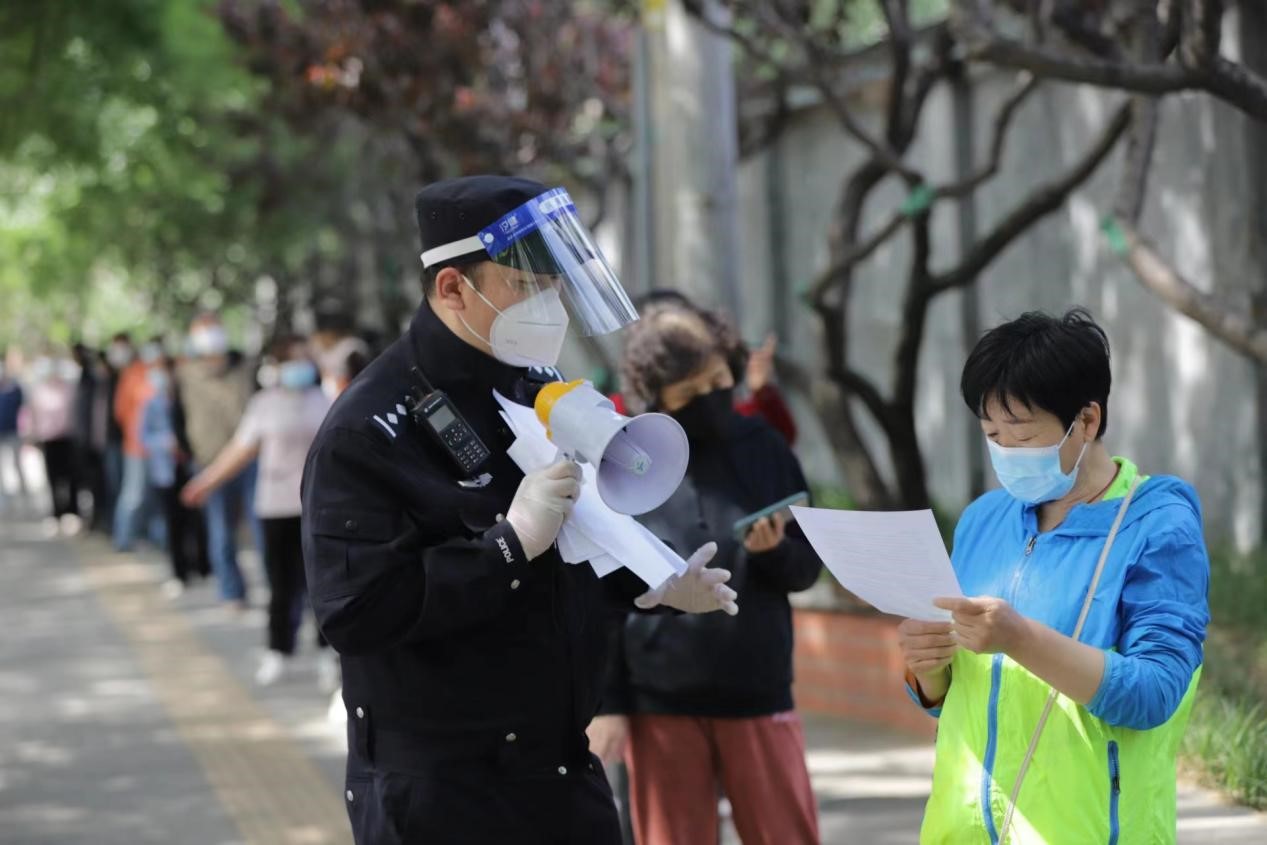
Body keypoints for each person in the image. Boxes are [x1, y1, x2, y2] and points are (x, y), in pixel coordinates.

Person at [301, 175, 739, 845]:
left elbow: (572, 545)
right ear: (453, 288)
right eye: (526, 285)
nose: (548, 304)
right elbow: (356, 612)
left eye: (555, 284)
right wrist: (506, 546)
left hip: (557, 766)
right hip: (442, 790)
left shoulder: (527, 383)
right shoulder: (369, 429)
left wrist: (650, 583)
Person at [898, 309, 1209, 844]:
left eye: (1021, 435)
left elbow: (1155, 692)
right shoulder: (983, 519)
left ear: (1086, 420)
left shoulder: (1157, 525)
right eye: (991, 434)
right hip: (961, 829)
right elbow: (957, 699)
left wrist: (1019, 638)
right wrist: (927, 670)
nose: (1004, 452)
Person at [591, 304, 821, 845]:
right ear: (656, 397)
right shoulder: (629, 463)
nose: (710, 397)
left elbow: (807, 566)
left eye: (718, 381)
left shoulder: (764, 446)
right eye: (689, 392)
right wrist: (611, 704)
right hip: (660, 701)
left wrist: (773, 553)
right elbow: (603, 593)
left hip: (758, 689)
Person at [184, 335, 335, 687]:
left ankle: (328, 653)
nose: (300, 366)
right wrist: (206, 482)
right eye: (292, 359)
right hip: (275, 506)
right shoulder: (264, 404)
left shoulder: (324, 400)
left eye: (304, 359)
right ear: (277, 366)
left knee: (320, 585)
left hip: (316, 508)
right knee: (281, 585)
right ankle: (278, 651)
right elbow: (240, 450)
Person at [609, 290, 797, 445]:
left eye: (716, 381)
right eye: (687, 393)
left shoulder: (724, 412)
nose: (706, 395)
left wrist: (763, 393)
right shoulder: (617, 417)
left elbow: (775, 438)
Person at [177, 314, 257, 610]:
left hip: (249, 459)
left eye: (214, 330)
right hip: (208, 462)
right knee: (221, 531)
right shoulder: (185, 374)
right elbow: (177, 415)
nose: (210, 338)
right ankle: (231, 591)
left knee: (261, 528)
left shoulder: (245, 367)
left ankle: (281, 589)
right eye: (203, 332)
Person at [142, 356, 209, 597]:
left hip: (191, 468)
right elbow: (144, 437)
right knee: (173, 523)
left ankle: (202, 566)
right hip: (166, 471)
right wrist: (165, 443)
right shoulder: (151, 404)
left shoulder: (188, 399)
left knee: (197, 521)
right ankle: (179, 571)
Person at [26, 354, 81, 532]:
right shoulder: (39, 390)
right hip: (48, 439)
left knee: (70, 476)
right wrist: (32, 434)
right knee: (53, 477)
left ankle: (72, 511)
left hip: (68, 438)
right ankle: (57, 512)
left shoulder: (69, 388)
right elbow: (32, 414)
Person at [0, 358, 30, 515]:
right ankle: (5, 501)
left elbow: (24, 410)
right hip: (2, 433)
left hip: (13, 433)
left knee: (18, 466)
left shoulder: (15, 389)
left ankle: (25, 498)